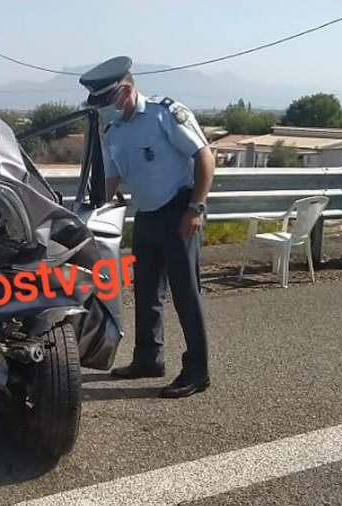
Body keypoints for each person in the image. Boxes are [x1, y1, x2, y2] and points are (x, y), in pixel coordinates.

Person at [80, 56, 215, 398]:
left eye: (106, 101)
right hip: (147, 215)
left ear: (126, 91)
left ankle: (197, 370)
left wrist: (196, 208)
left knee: (186, 294)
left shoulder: (164, 114)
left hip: (179, 211)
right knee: (146, 291)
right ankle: (148, 358)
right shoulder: (113, 130)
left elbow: (204, 156)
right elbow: (111, 179)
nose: (103, 109)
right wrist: (87, 214)